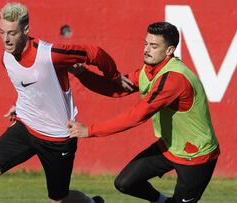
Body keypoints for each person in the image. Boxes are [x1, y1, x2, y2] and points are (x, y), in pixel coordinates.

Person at [0, 2, 132, 203]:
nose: (5, 39)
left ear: (26, 30)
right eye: (1, 32)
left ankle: (91, 202)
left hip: (57, 138)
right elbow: (28, 87)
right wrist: (18, 106)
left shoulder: (50, 54)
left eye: (11, 33)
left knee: (59, 199)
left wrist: (114, 76)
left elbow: (94, 52)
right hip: (26, 127)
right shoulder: (6, 58)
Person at [68, 22, 220, 203]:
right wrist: (82, 74)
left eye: (154, 46)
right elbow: (116, 89)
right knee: (125, 183)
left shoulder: (174, 79)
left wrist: (89, 130)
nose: (146, 50)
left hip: (196, 156)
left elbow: (137, 115)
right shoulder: (148, 71)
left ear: (170, 50)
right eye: (145, 43)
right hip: (168, 147)